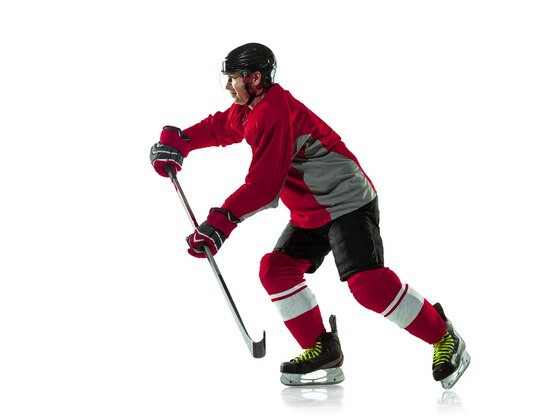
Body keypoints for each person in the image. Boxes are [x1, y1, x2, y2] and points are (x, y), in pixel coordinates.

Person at [150, 42, 470, 388]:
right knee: (276, 270)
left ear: (254, 78)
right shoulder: (249, 108)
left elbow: (263, 188)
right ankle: (323, 350)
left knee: (367, 285)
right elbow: (220, 128)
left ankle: (444, 336)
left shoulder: (273, 111)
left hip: (347, 201)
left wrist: (220, 223)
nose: (228, 86)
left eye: (233, 79)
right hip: (312, 210)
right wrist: (181, 140)